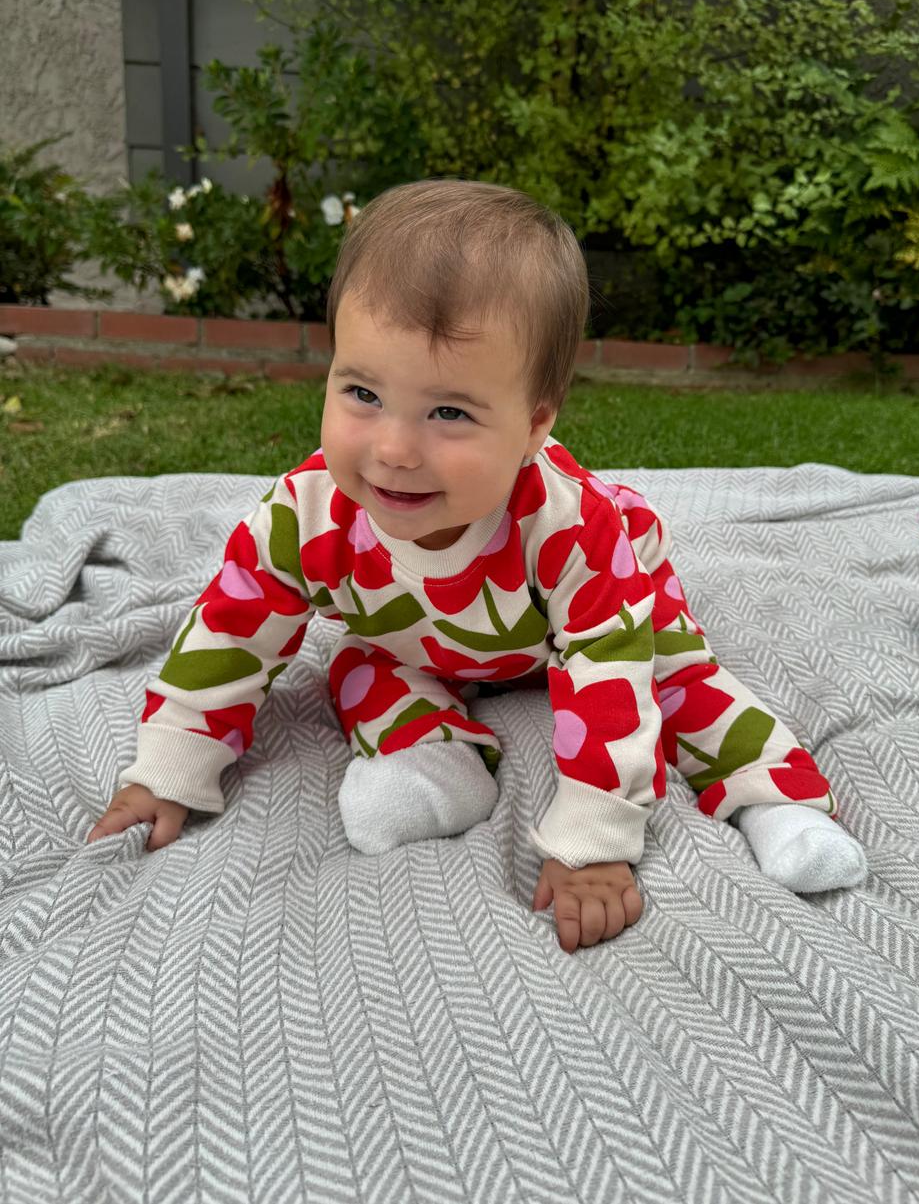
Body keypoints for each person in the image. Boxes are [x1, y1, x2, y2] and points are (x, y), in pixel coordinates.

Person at [87, 179, 867, 952]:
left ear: (533, 424)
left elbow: (605, 680)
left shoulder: (574, 531)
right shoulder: (304, 516)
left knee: (672, 677)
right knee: (356, 663)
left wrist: (593, 843)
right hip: (416, 641)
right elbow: (232, 631)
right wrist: (169, 767)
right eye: (361, 391)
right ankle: (434, 756)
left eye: (449, 412)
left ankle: (774, 797)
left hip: (601, 621)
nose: (392, 449)